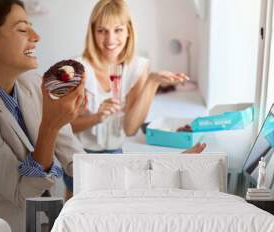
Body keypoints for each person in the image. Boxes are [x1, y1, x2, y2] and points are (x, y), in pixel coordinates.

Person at [0, 0, 85, 232]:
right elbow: (22, 192)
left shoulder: (32, 84)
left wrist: (118, 188)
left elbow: (74, 159)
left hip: (47, 230)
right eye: (22, 29)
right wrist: (50, 126)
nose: (36, 36)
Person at [71, 0, 206, 154]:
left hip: (116, 152)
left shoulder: (138, 68)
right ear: (93, 32)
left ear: (128, 31)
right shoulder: (77, 69)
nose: (110, 39)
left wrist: (152, 81)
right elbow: (66, 126)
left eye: (118, 30)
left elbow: (130, 129)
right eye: (102, 30)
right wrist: (97, 117)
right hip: (78, 154)